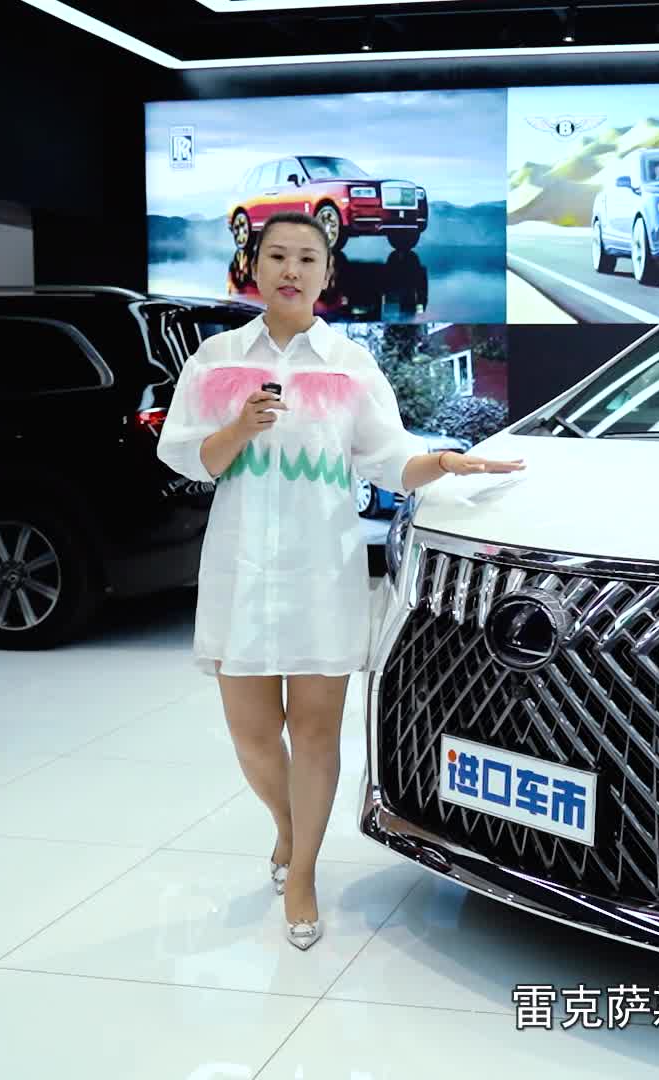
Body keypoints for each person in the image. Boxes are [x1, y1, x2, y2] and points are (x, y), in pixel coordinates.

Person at [155, 211, 523, 950]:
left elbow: (389, 458)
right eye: (277, 256)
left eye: (307, 258)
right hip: (240, 572)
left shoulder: (350, 364)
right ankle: (288, 826)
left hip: (322, 572)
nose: (291, 270)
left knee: (316, 732)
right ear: (253, 268)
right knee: (253, 735)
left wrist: (443, 463)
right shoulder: (217, 359)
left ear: (328, 274)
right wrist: (239, 428)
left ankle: (303, 873)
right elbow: (186, 456)